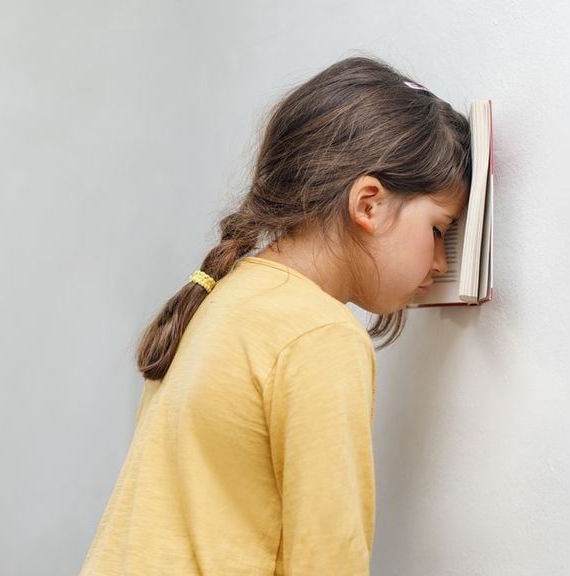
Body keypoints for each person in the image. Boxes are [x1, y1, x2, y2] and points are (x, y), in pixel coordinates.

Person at [80, 56, 471, 575]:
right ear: (369, 204)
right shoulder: (318, 337)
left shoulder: (228, 295)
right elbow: (328, 559)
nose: (442, 261)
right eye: (440, 230)